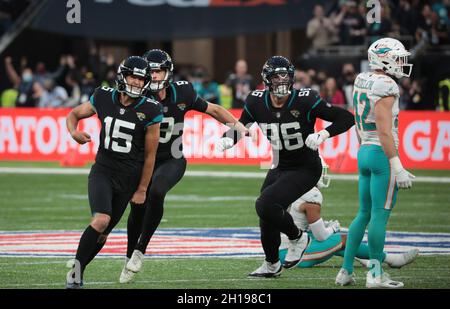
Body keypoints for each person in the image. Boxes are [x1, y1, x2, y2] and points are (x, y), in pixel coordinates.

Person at [216, 56, 354, 278]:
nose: (281, 81)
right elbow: (243, 125)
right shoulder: (255, 101)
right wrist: (228, 138)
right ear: (266, 80)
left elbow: (346, 118)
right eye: (276, 77)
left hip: (306, 167)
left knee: (265, 204)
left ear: (292, 78)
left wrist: (323, 134)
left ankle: (297, 236)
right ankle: (272, 265)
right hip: (280, 165)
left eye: (285, 76)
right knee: (266, 215)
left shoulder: (305, 100)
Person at [120, 49, 249, 283]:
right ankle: (129, 254)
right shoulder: (137, 97)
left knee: (157, 190)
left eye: (159, 71)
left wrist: (238, 125)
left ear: (167, 73)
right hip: (140, 160)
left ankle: (140, 250)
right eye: (151, 72)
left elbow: (213, 109)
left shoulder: (182, 91)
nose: (155, 76)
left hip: (172, 158)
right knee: (137, 208)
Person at [65, 56, 163, 288]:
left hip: (129, 177)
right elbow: (74, 115)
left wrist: (141, 189)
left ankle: (79, 269)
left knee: (103, 233)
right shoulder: (103, 96)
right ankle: (75, 275)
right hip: (103, 170)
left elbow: (150, 155)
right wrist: (73, 132)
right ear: (122, 75)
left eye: (142, 79)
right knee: (101, 220)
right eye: (133, 77)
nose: (138, 83)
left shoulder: (151, 109)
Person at [336, 38, 416, 288]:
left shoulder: (362, 78)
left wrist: (365, 148)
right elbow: (384, 131)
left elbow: (358, 122)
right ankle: (375, 274)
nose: (402, 63)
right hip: (381, 153)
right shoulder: (386, 85)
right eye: (398, 57)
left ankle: (346, 271)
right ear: (384, 58)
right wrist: (396, 164)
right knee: (380, 216)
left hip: (364, 151)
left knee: (363, 213)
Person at [278, 160, 418, 270]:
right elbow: (321, 236)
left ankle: (369, 260)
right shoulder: (311, 196)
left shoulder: (292, 188)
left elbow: (302, 225)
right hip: (292, 255)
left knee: (334, 240)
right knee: (343, 239)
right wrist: (333, 228)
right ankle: (391, 259)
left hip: (282, 249)